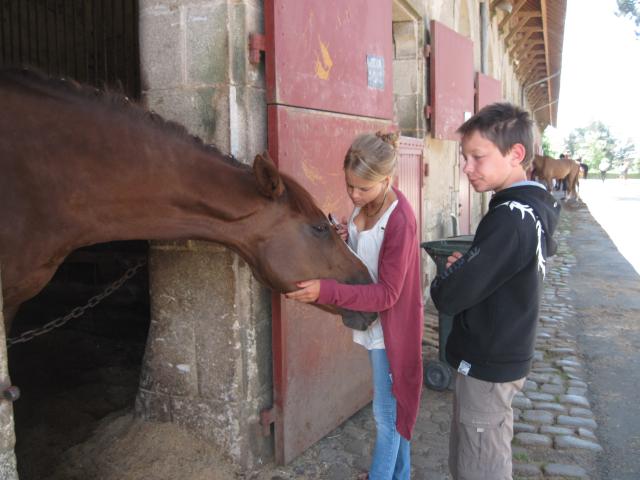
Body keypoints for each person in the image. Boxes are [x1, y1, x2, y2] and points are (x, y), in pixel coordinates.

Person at [430, 102, 560, 480]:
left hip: (488, 364)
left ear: (515, 154)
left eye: (477, 157)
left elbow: (448, 297)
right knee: (484, 452)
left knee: (479, 465)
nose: (467, 168)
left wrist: (454, 274)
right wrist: (472, 263)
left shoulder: (510, 217)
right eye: (464, 158)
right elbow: (496, 273)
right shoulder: (528, 209)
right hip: (502, 355)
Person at [286, 132, 424, 480]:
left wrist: (326, 291)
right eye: (350, 186)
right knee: (397, 410)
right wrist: (347, 235)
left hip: (391, 331)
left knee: (386, 416)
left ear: (387, 180)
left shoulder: (401, 220)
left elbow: (386, 295)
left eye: (363, 188)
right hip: (371, 323)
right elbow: (368, 255)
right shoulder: (365, 205)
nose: (354, 195)